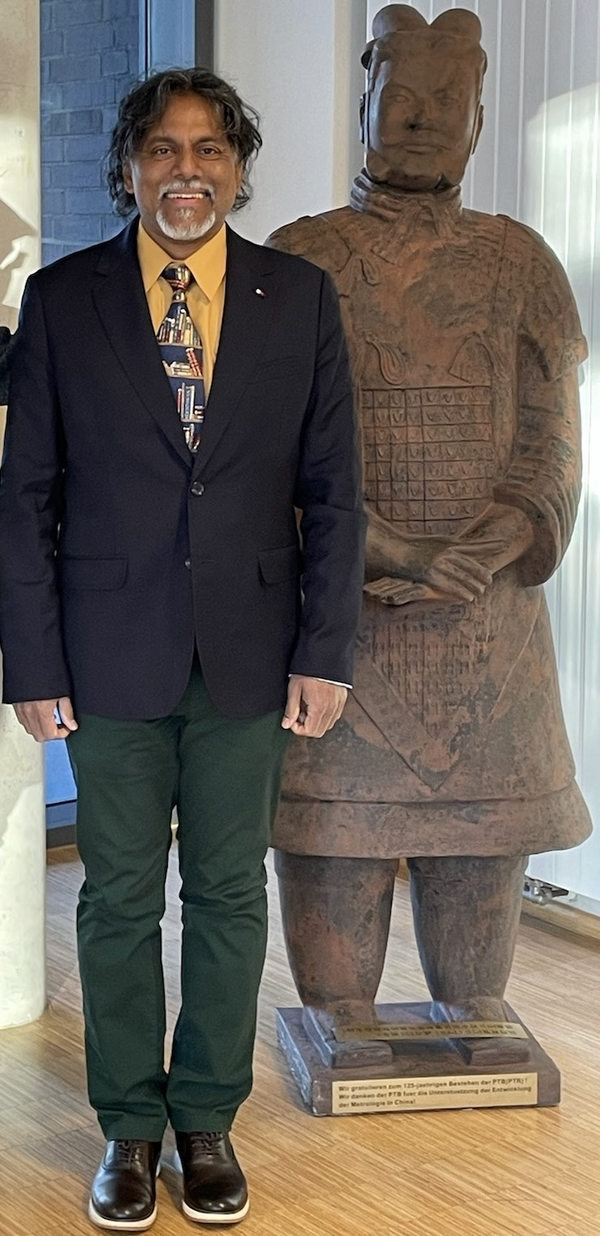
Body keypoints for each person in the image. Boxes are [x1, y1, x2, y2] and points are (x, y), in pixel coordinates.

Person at [0, 68, 365, 1230]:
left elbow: (334, 492)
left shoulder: (297, 298)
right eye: (163, 148)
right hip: (106, 656)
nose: (186, 170)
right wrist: (32, 664)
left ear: (238, 168)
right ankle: (128, 1129)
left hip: (252, 656)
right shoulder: (63, 302)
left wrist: (326, 651)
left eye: (209, 149)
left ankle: (206, 1120)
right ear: (130, 167)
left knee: (225, 896)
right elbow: (24, 498)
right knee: (114, 902)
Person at [267, 5, 591, 1056]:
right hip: (340, 624)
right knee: (336, 839)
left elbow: (552, 444)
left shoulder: (521, 261)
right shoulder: (301, 258)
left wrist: (488, 549)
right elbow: (261, 456)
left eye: (446, 102)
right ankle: (341, 1016)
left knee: (478, 850)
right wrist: (390, 550)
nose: (420, 119)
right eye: (400, 97)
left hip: (486, 622)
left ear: (479, 117)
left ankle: (474, 1006)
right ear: (363, 99)